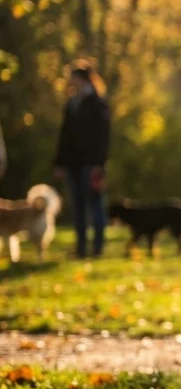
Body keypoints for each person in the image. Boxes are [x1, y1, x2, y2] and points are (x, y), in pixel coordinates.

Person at [53, 61, 111, 258]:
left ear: (81, 79)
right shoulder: (72, 103)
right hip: (73, 163)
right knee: (77, 206)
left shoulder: (98, 103)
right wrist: (60, 163)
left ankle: (97, 247)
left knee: (94, 205)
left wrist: (99, 164)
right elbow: (65, 135)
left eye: (73, 78)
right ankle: (80, 248)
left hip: (91, 163)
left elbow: (103, 137)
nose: (70, 81)